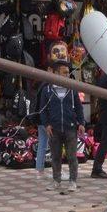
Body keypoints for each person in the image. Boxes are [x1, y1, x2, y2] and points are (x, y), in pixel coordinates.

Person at [39, 62, 85, 192]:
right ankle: (56, 181)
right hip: (54, 129)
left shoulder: (72, 89)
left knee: (72, 157)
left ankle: (72, 181)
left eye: (68, 72)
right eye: (64, 72)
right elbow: (42, 110)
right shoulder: (46, 90)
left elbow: (79, 107)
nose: (67, 74)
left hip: (70, 128)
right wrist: (46, 124)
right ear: (56, 73)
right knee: (55, 157)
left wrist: (81, 123)